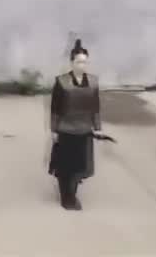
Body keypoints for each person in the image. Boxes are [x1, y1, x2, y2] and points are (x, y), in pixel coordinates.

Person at [49, 39, 101, 210]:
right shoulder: (62, 82)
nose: (82, 65)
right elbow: (55, 108)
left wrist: (97, 127)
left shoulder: (93, 82)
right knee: (65, 167)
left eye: (85, 62)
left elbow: (95, 106)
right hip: (66, 130)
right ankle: (66, 197)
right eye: (79, 62)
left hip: (84, 130)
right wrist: (54, 130)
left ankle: (72, 194)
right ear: (72, 63)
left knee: (79, 166)